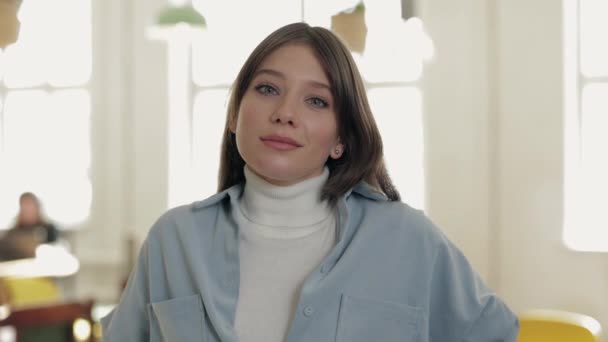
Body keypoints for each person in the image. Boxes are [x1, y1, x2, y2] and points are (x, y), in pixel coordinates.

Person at [101, 22, 519, 341]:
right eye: (267, 88)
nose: (285, 112)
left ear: (341, 138)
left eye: (317, 100)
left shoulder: (409, 239)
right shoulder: (173, 241)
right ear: (234, 115)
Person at [0, 192, 60, 261]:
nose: (27, 210)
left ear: (37, 208)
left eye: (30, 206)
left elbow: (56, 250)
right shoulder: (14, 232)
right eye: (24, 207)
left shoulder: (49, 229)